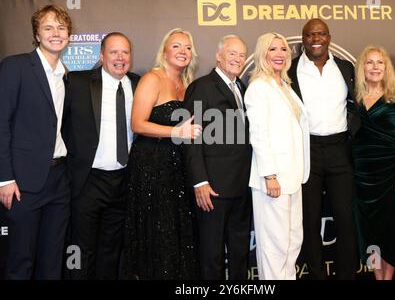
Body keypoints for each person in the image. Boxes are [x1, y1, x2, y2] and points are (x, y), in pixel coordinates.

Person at [122, 28, 202, 280]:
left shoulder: (188, 84)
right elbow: (137, 124)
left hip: (179, 169)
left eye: (187, 47)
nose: (182, 51)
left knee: (179, 236)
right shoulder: (153, 79)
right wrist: (175, 133)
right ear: (164, 51)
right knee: (159, 234)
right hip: (152, 168)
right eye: (176, 46)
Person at [0, 5, 72, 279]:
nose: (56, 33)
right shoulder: (15, 66)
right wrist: (4, 178)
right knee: (21, 262)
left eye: (61, 28)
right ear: (37, 34)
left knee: (52, 262)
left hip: (58, 180)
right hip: (23, 183)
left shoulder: (64, 76)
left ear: (68, 35)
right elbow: (1, 124)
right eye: (48, 27)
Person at [63, 32, 140, 279]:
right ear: (101, 56)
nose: (120, 58)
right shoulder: (77, 82)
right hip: (87, 181)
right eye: (114, 52)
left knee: (111, 249)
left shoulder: (138, 84)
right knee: (81, 249)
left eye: (125, 52)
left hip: (123, 181)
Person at [287, 18, 359, 279]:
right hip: (308, 151)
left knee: (345, 218)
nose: (315, 38)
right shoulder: (290, 71)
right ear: (302, 39)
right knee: (310, 219)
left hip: (341, 150)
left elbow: (358, 104)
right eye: (309, 34)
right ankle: (316, 275)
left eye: (320, 33)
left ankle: (346, 275)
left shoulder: (346, 68)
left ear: (329, 37)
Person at [183, 35, 253, 280]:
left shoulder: (241, 87)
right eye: (232, 53)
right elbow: (191, 138)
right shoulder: (201, 87)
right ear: (219, 56)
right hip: (213, 189)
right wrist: (200, 181)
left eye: (242, 55)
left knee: (239, 252)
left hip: (241, 186)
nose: (237, 59)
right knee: (211, 255)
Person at [244, 32, 310, 280]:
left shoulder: (285, 85)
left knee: (292, 242)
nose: (280, 54)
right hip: (273, 180)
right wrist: (270, 175)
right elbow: (259, 136)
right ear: (262, 54)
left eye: (283, 49)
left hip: (293, 177)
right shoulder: (258, 87)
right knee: (274, 246)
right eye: (273, 49)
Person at [352, 45, 395, 280]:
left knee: (391, 232)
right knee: (370, 232)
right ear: (362, 68)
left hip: (392, 176)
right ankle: (378, 277)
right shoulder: (353, 100)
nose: (375, 67)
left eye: (380, 62)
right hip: (363, 179)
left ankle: (387, 279)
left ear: (386, 68)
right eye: (370, 62)